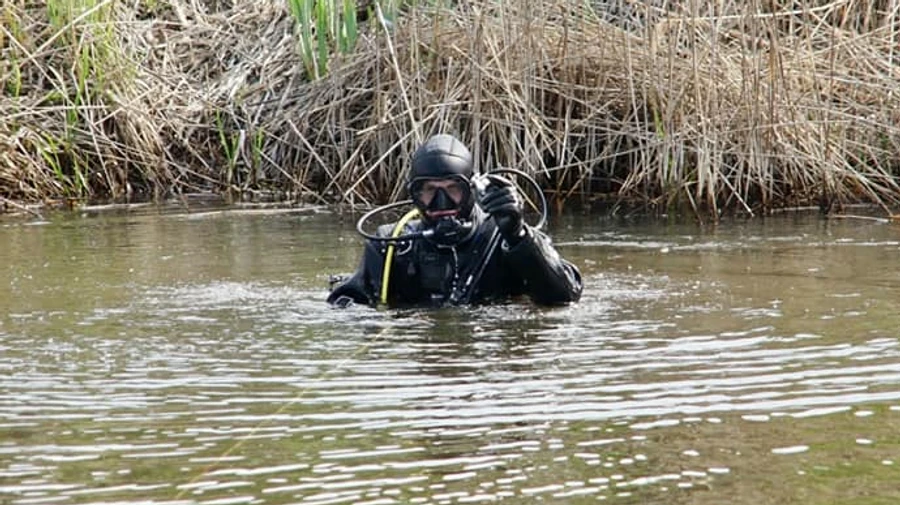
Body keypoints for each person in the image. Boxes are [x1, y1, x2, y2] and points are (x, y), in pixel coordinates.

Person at [327, 134, 582, 308]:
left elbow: (565, 297)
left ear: (471, 189)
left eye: (453, 189)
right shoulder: (393, 244)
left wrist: (518, 235)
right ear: (413, 194)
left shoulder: (502, 236)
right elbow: (351, 306)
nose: (442, 203)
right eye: (429, 190)